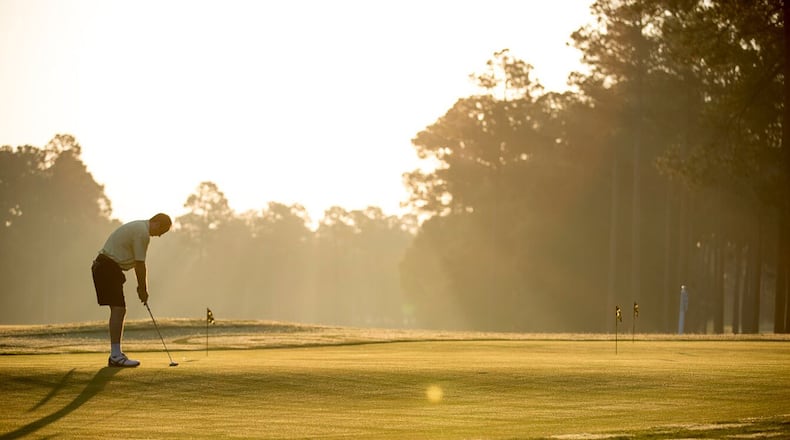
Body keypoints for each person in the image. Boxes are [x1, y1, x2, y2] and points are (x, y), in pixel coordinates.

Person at [91, 213, 172, 367]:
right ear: (156, 222)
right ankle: (115, 356)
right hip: (107, 267)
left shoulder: (139, 227)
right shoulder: (142, 233)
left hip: (105, 267)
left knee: (118, 309)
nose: (160, 235)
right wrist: (143, 289)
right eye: (162, 230)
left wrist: (141, 288)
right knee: (119, 309)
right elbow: (140, 264)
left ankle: (115, 354)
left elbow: (137, 263)